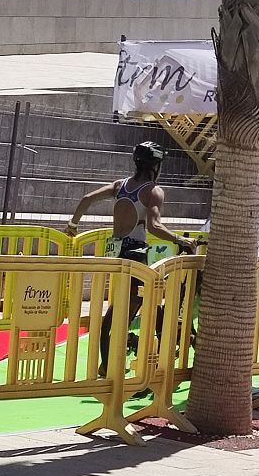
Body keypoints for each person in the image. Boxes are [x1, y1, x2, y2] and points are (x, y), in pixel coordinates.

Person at [65, 141, 197, 376]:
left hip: (115, 252)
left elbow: (86, 198)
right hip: (135, 254)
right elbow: (155, 226)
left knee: (147, 305)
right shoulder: (153, 190)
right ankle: (120, 365)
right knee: (126, 311)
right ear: (156, 165)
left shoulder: (120, 186)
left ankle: (144, 356)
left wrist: (73, 225)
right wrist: (181, 240)